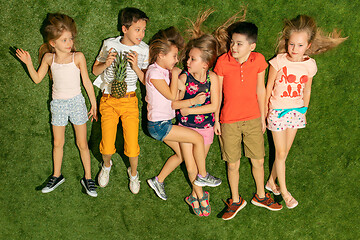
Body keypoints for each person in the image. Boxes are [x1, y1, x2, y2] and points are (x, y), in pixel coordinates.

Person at [265, 15, 347, 209]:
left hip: (296, 112)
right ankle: (285, 193)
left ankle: (270, 182)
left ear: (308, 46)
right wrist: (264, 112)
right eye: (292, 44)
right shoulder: (278, 61)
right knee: (281, 151)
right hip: (277, 111)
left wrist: (304, 109)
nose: (295, 49)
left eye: (300, 45)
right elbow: (268, 87)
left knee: (284, 154)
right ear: (287, 43)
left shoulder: (309, 65)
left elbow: (307, 89)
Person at [16, 13, 98, 197]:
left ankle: (88, 178)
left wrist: (93, 104)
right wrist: (28, 63)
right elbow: (37, 79)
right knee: (58, 143)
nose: (69, 43)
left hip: (77, 103)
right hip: (58, 105)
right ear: (53, 43)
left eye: (70, 39)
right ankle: (57, 175)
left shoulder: (78, 57)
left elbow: (86, 82)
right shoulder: (48, 59)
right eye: (64, 40)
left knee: (82, 143)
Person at [145, 27, 221, 216]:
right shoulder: (182, 77)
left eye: (192, 59)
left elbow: (214, 106)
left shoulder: (213, 78)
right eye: (187, 57)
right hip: (185, 126)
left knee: (194, 160)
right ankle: (201, 195)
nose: (186, 61)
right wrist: (189, 104)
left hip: (207, 127)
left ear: (205, 64)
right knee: (191, 166)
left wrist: (192, 108)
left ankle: (193, 195)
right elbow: (177, 104)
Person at [214, 21, 283, 220]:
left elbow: (261, 90)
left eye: (239, 44)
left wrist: (262, 117)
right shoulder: (222, 62)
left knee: (258, 160)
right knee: (233, 163)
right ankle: (235, 200)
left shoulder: (259, 60)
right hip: (228, 120)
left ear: (251, 46)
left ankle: (261, 195)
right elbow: (217, 92)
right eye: (232, 43)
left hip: (253, 118)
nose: (233, 47)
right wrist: (216, 118)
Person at [92, 7, 149, 194]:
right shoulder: (109, 44)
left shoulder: (144, 50)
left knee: (132, 145)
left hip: (129, 100)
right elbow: (95, 71)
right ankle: (106, 165)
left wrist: (135, 65)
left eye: (143, 30)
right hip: (108, 99)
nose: (141, 34)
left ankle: (133, 173)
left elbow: (145, 80)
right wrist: (106, 63)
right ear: (124, 29)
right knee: (107, 144)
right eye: (137, 29)